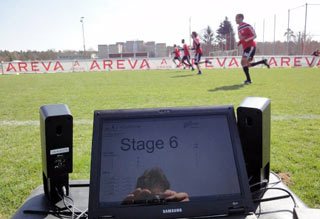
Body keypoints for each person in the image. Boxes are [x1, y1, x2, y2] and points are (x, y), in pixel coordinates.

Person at [122, 167, 189, 204]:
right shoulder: (130, 212)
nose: (156, 201)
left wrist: (185, 210)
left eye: (160, 198)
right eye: (150, 199)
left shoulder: (175, 205)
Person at [236, 13, 270, 85]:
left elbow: (254, 35)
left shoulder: (247, 26)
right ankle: (262, 62)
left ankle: (248, 80)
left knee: (243, 63)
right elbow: (243, 37)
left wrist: (246, 40)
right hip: (246, 47)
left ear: (241, 18)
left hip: (250, 46)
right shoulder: (238, 27)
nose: (235, 20)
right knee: (246, 64)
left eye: (237, 18)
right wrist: (240, 42)